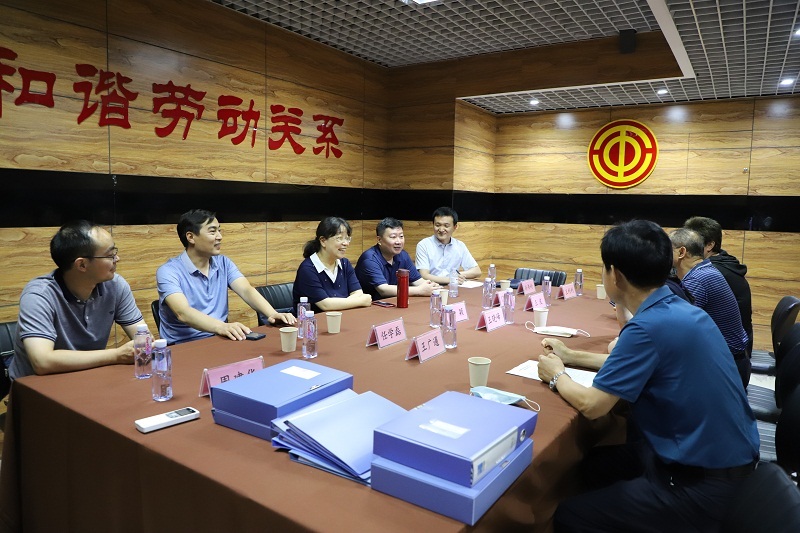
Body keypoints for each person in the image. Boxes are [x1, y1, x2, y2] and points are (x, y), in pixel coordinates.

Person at [537, 220, 759, 532]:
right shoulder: (675, 307)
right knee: (594, 466)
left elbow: (593, 405)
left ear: (616, 275)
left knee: (569, 515)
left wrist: (557, 375)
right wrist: (572, 356)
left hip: (701, 485)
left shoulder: (647, 326)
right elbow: (636, 361)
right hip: (727, 462)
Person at [10, 221, 148, 380]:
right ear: (82, 264)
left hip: (88, 378)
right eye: (110, 255)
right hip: (37, 387)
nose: (117, 258)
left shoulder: (115, 285)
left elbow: (143, 336)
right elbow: (42, 362)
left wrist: (145, 344)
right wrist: (117, 355)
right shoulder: (39, 295)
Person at [156, 209, 295, 344]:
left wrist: (272, 314)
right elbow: (183, 313)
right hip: (183, 345)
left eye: (219, 230)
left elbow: (246, 290)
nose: (219, 236)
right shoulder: (168, 271)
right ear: (191, 237)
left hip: (218, 339)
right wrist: (221, 327)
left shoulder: (223, 263)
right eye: (212, 231)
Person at [670, 228, 750, 387]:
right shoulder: (704, 270)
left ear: (681, 252)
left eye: (667, 249)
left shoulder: (698, 279)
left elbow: (674, 326)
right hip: (730, 362)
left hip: (728, 370)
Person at [684, 216, 753, 353]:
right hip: (738, 345)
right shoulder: (725, 261)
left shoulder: (708, 273)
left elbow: (683, 315)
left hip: (730, 352)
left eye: (690, 242)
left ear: (710, 245)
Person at [293, 216, 372, 312]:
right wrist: (361, 301)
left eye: (347, 238)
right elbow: (325, 305)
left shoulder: (345, 263)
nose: (346, 243)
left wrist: (352, 301)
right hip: (315, 320)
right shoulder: (307, 269)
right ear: (323, 241)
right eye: (339, 238)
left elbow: (358, 293)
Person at [355, 217, 439, 301]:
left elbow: (418, 281)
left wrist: (432, 287)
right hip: (370, 305)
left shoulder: (403, 255)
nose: (398, 241)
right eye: (393, 237)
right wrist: (419, 290)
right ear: (379, 240)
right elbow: (383, 290)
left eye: (401, 236)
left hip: (392, 302)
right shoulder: (370, 259)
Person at [415, 206, 481, 285]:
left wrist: (458, 275)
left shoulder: (460, 246)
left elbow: (477, 271)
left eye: (446, 226)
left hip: (453, 288)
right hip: (432, 287)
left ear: (455, 227)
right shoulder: (424, 245)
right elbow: (424, 275)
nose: (441, 229)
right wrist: (450, 279)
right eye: (437, 225)